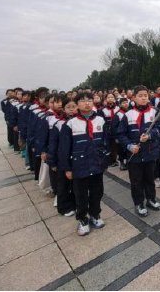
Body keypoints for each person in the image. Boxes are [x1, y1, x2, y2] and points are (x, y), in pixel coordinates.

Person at [58, 91, 110, 236]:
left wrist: (104, 161)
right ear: (77, 105)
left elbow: (106, 142)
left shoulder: (100, 120)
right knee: (80, 195)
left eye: (89, 100)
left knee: (97, 192)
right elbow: (64, 149)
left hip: (96, 164)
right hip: (79, 166)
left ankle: (95, 215)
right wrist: (67, 168)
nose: (87, 103)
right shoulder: (70, 124)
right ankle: (82, 219)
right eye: (82, 101)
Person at [117, 85, 160, 217]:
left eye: (145, 96)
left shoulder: (154, 112)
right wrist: (129, 146)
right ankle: (139, 203)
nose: (143, 98)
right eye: (140, 96)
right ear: (134, 98)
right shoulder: (128, 115)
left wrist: (150, 135)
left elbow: (159, 129)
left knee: (149, 178)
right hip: (134, 155)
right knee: (136, 181)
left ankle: (151, 199)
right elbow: (121, 134)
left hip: (150, 153)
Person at [49, 96, 77, 216]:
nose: (71, 109)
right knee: (63, 185)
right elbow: (53, 144)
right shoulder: (59, 124)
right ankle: (64, 207)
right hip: (63, 159)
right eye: (68, 107)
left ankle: (75, 204)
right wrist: (52, 162)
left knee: (76, 184)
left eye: (74, 106)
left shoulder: (81, 122)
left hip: (77, 158)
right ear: (63, 109)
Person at [99, 92, 120, 167]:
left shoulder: (118, 108)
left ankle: (116, 159)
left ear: (115, 99)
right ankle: (111, 160)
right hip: (107, 130)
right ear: (105, 99)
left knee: (116, 146)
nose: (110, 99)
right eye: (108, 97)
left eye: (112, 97)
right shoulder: (102, 110)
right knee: (109, 145)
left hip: (117, 129)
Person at [112, 97, 129, 170]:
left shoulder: (130, 112)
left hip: (128, 135)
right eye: (123, 103)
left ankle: (128, 163)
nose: (125, 104)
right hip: (121, 136)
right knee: (121, 150)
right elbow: (114, 127)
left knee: (127, 150)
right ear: (120, 105)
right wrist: (116, 137)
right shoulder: (118, 114)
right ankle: (122, 163)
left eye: (126, 102)